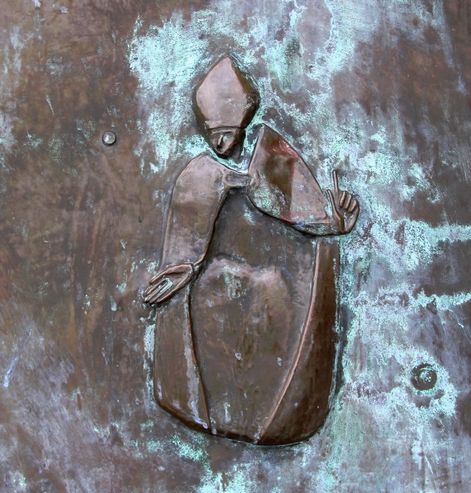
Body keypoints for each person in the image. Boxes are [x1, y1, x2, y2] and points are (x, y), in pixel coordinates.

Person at [143, 56, 359, 444]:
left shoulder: (273, 154)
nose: (222, 143)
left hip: (269, 300)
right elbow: (185, 236)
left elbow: (301, 209)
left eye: (228, 133)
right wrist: (182, 269)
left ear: (242, 126)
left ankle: (273, 416)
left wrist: (333, 224)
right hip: (215, 299)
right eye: (215, 134)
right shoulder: (197, 172)